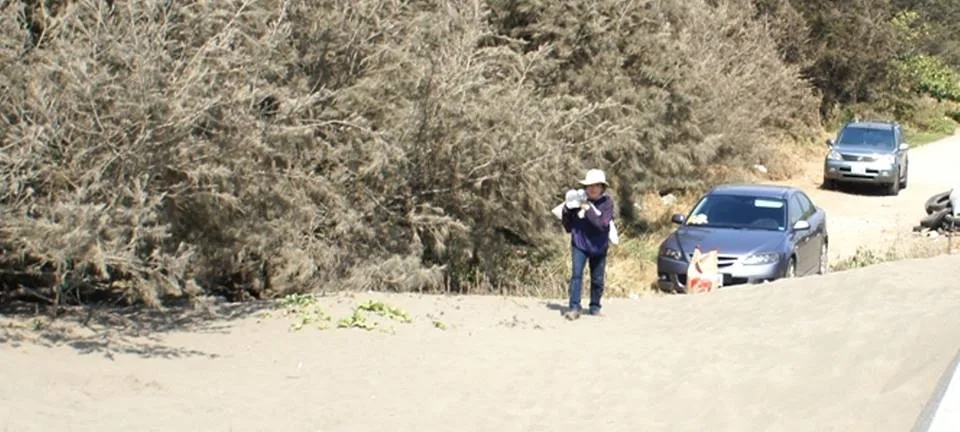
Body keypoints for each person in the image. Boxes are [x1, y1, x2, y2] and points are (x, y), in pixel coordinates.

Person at [560, 169, 615, 320]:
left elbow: (601, 225)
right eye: (589, 185)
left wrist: (588, 209)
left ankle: (595, 306)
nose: (592, 188)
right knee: (576, 276)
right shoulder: (577, 200)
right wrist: (567, 210)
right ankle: (574, 307)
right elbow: (568, 227)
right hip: (580, 243)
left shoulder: (607, 203)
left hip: (599, 246)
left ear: (602, 187)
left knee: (597, 279)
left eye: (596, 185)